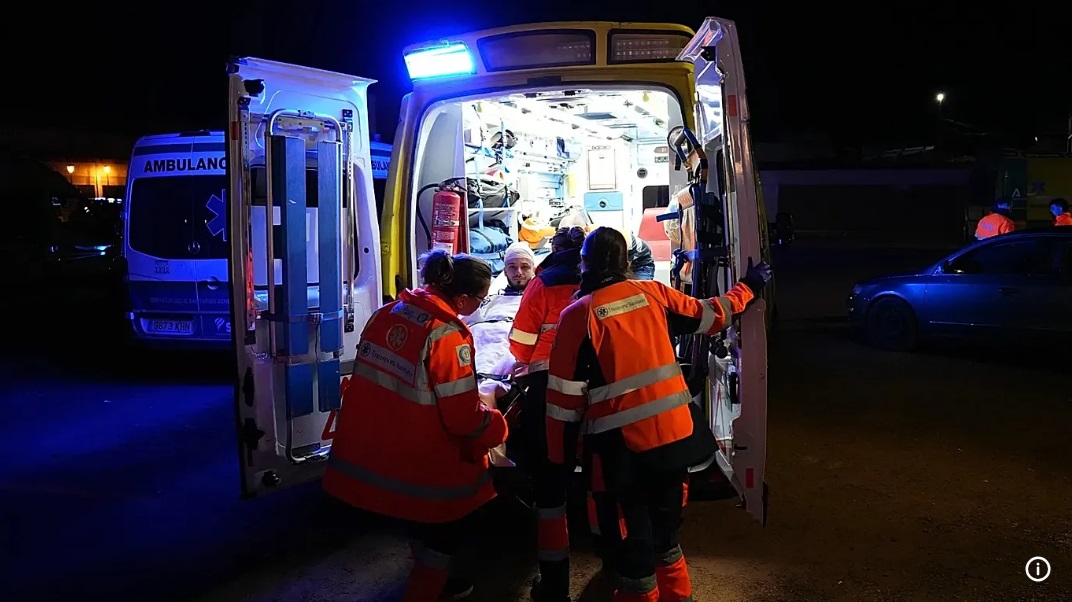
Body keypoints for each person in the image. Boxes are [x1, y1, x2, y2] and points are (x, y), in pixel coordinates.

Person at [545, 227, 772, 602]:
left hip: (621, 453)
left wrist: (559, 461)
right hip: (674, 439)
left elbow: (562, 402)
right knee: (666, 535)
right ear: (626, 262)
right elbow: (713, 315)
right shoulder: (653, 294)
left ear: (582, 264)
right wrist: (748, 285)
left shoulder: (576, 316)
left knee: (633, 539)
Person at [323, 249, 508, 602]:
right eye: (481, 299)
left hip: (379, 447)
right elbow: (462, 417)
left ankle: (432, 581)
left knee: (417, 522)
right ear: (463, 299)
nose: (480, 306)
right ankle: (425, 592)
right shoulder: (446, 336)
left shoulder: (388, 313)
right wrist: (497, 427)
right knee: (448, 530)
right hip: (421, 455)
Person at [507, 226, 586, 602]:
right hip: (598, 385)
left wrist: (527, 361)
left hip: (548, 385)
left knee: (550, 480)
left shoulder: (544, 283)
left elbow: (521, 343)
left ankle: (554, 587)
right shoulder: (605, 281)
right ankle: (615, 556)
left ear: (553, 249)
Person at [462, 243, 537, 377]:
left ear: (534, 270)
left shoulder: (538, 301)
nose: (518, 272)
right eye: (512, 267)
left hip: (510, 338)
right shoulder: (489, 299)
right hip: (481, 338)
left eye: (525, 267)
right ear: (505, 270)